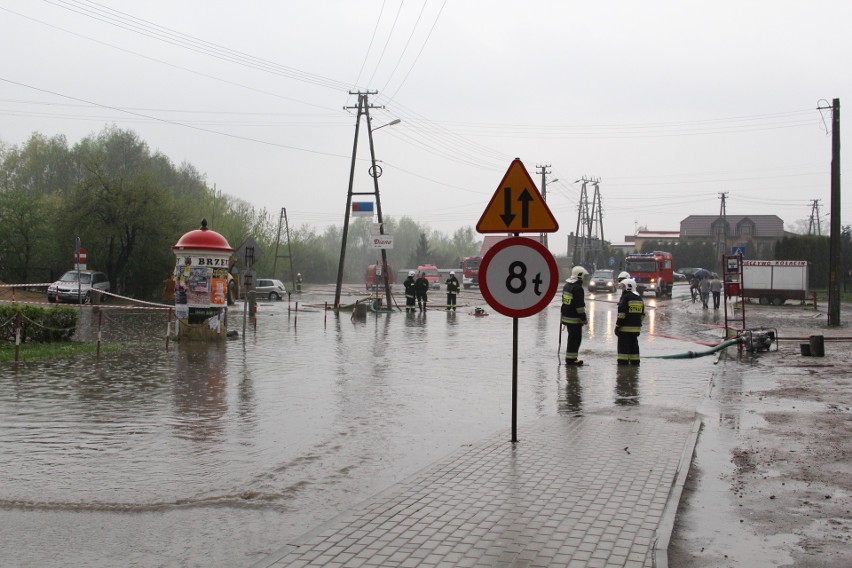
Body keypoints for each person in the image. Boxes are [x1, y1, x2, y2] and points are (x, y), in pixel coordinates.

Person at [561, 266, 588, 365]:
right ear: (580, 275)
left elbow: (565, 302)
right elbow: (579, 307)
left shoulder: (567, 286)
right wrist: (584, 318)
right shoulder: (577, 288)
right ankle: (572, 359)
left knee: (571, 339)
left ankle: (570, 358)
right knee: (575, 340)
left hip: (567, 318)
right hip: (575, 319)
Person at [614, 278, 645, 365]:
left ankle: (622, 365)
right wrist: (638, 325)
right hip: (635, 330)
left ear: (628, 287)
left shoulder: (625, 297)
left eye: (623, 287)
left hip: (624, 329)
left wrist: (617, 326)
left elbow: (622, 314)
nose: (622, 289)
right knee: (634, 347)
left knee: (623, 348)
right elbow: (642, 315)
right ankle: (635, 364)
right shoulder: (639, 298)